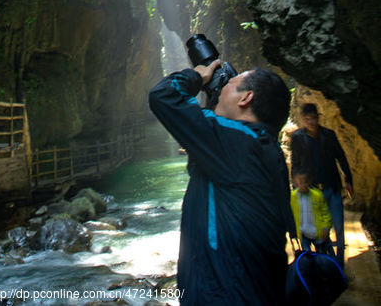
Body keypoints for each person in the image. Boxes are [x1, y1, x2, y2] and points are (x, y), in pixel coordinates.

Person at [149, 60, 295, 306]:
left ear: (246, 98)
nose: (222, 86)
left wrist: (197, 76)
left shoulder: (238, 141)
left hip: (224, 294)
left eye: (230, 84)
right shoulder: (261, 146)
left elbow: (164, 95)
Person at [290, 103, 353, 268]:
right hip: (312, 192)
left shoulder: (329, 135)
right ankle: (322, 267)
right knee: (318, 233)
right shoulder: (298, 138)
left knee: (338, 228)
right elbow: (296, 164)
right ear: (303, 119)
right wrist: (296, 186)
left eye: (313, 118)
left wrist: (348, 180)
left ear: (318, 117)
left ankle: (339, 267)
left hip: (332, 187)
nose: (311, 122)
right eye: (307, 119)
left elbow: (341, 157)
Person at [291, 170, 334, 256]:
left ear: (309, 182)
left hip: (318, 233)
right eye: (300, 182)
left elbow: (325, 213)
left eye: (305, 182)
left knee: (323, 256)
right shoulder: (293, 197)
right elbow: (291, 214)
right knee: (307, 257)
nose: (303, 185)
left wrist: (326, 227)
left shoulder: (317, 195)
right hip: (303, 234)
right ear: (295, 183)